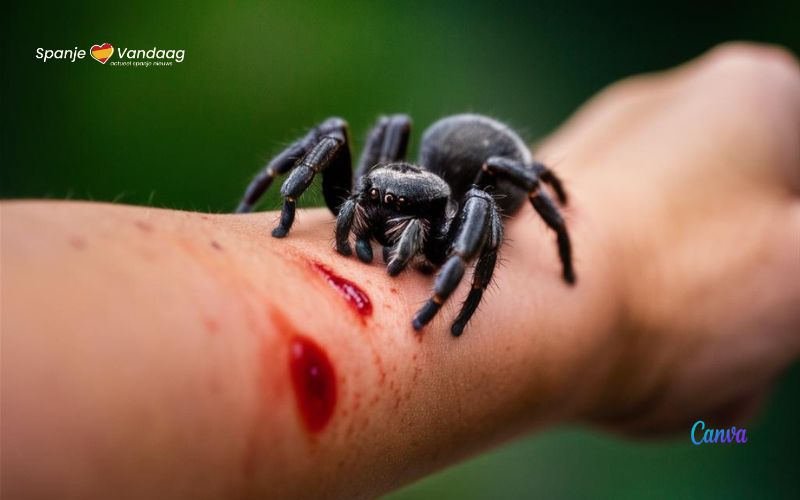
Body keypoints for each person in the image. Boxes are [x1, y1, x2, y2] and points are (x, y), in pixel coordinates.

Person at [2, 42, 799, 499]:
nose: (370, 216)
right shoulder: (379, 181)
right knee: (352, 131)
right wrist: (283, 219)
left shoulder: (471, 203)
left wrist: (456, 304)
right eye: (367, 201)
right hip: (435, 174)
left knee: (490, 202)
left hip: (479, 177)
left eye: (383, 211)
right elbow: (341, 163)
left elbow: (514, 195)